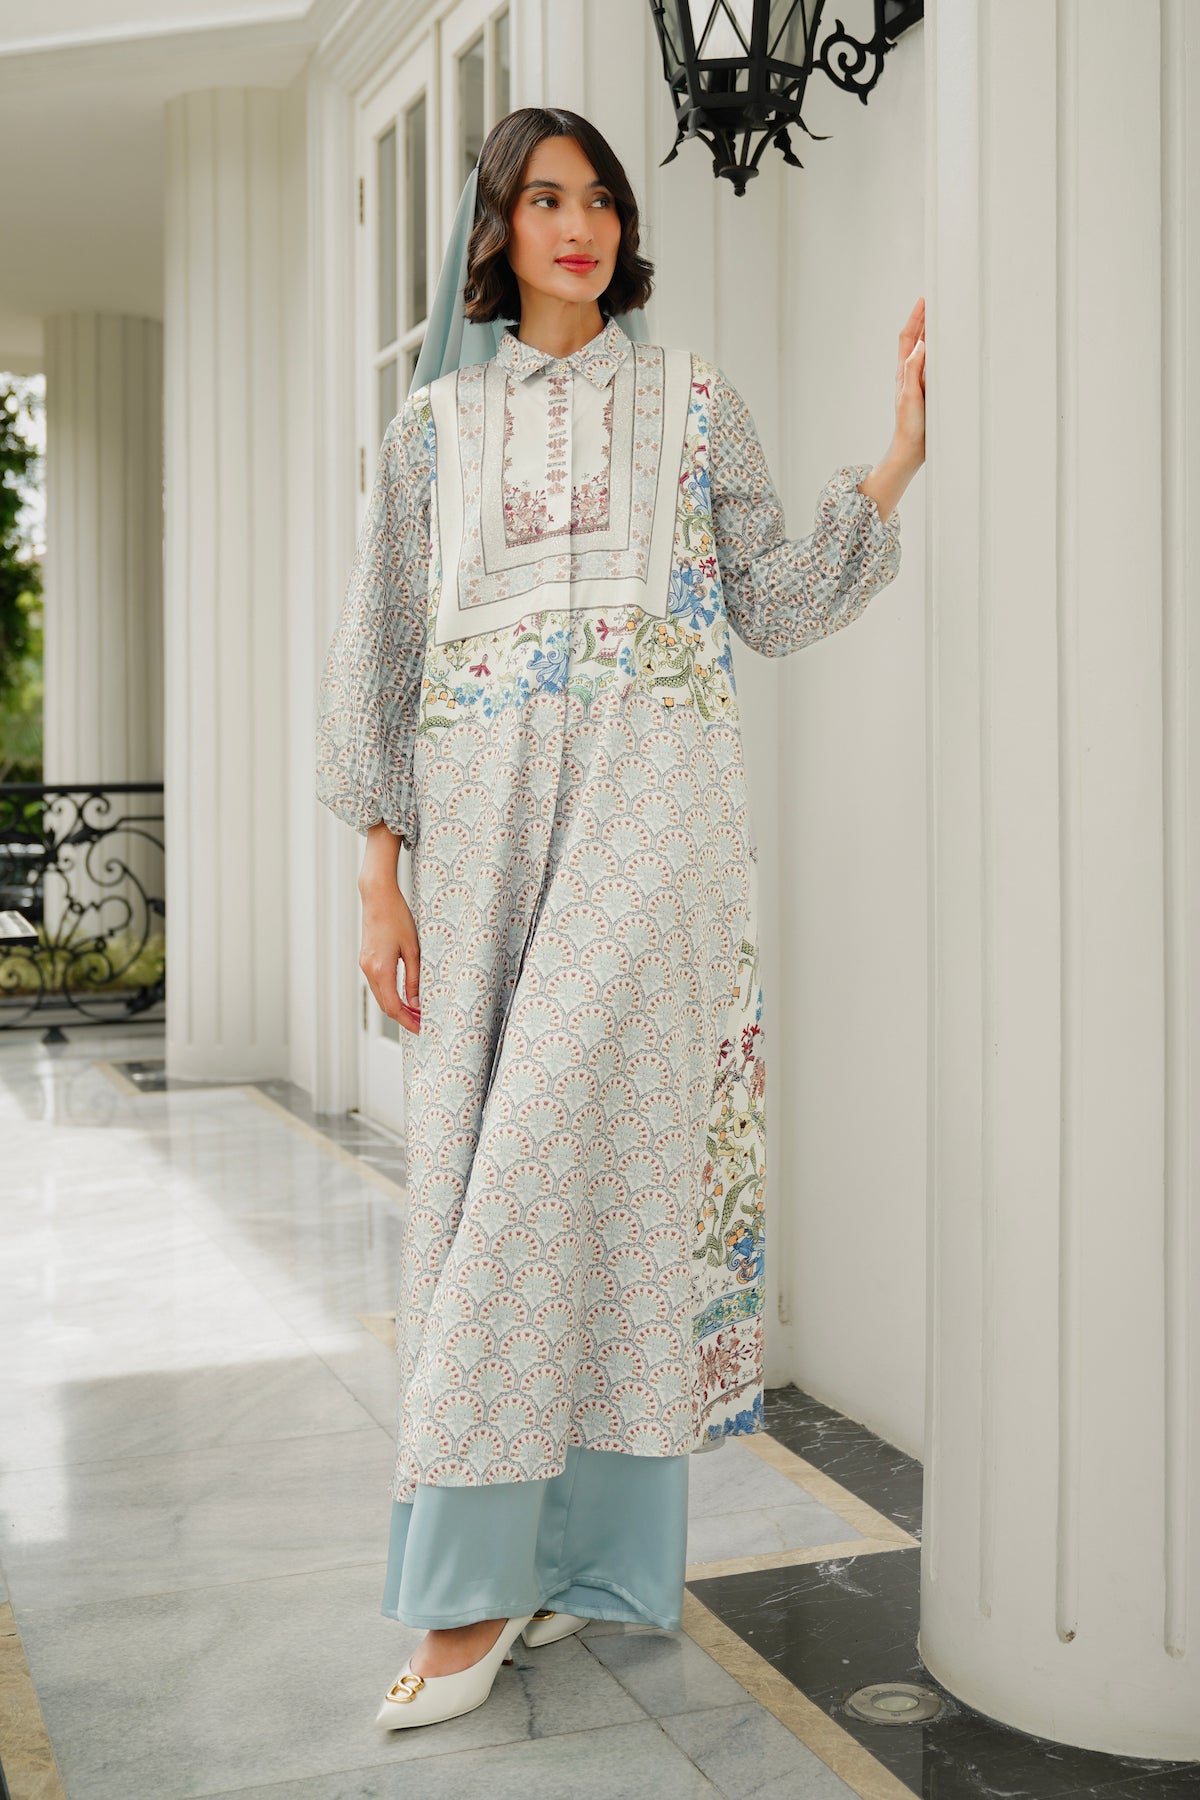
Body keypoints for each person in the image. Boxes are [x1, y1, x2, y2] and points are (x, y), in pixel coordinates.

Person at [314, 104, 925, 1732]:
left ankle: (466, 1589)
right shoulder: (431, 432)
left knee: (542, 1172)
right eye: (543, 198)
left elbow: (773, 599)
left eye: (597, 198)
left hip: (654, 830)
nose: (576, 224)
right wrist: (379, 879)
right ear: (498, 229)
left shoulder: (696, 404)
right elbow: (381, 657)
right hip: (483, 839)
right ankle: (562, 1565)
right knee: (500, 1181)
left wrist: (898, 458)